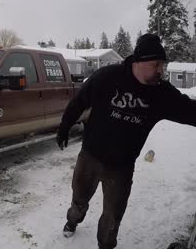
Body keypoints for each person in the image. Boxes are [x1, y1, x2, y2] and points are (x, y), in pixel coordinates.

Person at [56, 33, 196, 249]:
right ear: (139, 61)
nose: (161, 70)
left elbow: (190, 111)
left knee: (113, 215)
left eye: (163, 65)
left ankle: (106, 245)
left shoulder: (162, 94)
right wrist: (65, 126)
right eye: (156, 64)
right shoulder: (107, 77)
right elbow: (79, 100)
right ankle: (73, 219)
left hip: (121, 168)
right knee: (79, 198)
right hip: (90, 157)